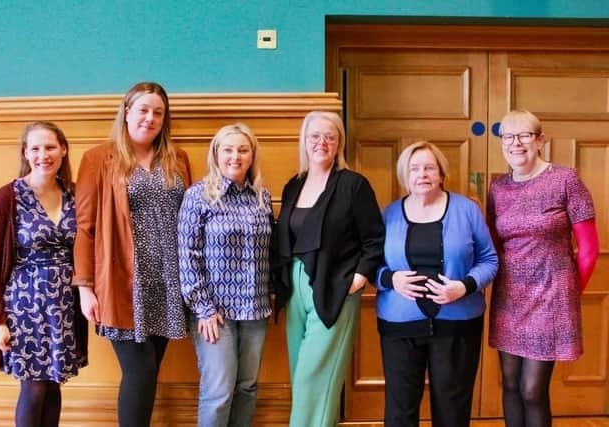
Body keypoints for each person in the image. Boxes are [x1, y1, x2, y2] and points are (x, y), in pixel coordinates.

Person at [73, 82, 191, 427]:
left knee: (149, 372)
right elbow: (84, 227)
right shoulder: (99, 158)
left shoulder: (177, 158)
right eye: (143, 109)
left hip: (169, 281)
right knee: (140, 372)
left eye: (158, 112)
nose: (150, 118)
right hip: (124, 284)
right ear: (126, 112)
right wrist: (84, 286)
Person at [488, 110, 599, 427]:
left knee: (532, 390)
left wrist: (569, 293)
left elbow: (589, 249)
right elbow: (494, 246)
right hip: (508, 299)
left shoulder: (566, 180)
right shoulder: (498, 188)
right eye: (507, 136)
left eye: (524, 135)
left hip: (551, 297)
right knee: (509, 384)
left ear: (540, 139)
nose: (515, 143)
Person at [374, 141, 498, 427]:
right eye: (414, 168)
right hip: (399, 326)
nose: (422, 174)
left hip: (458, 325)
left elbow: (490, 260)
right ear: (405, 175)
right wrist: (391, 278)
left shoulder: (467, 211)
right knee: (400, 411)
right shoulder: (388, 214)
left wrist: (465, 286)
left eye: (430, 167)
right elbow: (371, 264)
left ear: (442, 173)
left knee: (452, 410)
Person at [273, 111, 385, 427]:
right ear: (304, 142)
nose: (322, 142)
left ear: (339, 143)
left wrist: (359, 278)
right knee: (301, 375)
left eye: (330, 137)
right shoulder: (293, 185)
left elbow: (375, 238)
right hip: (294, 288)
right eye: (315, 136)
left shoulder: (353, 185)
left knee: (314, 377)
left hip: (334, 287)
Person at [0, 121, 88, 426]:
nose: (44, 155)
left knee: (53, 384)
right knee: (34, 387)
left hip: (64, 306)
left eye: (51, 147)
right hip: (24, 307)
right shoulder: (7, 198)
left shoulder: (74, 195)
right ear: (26, 154)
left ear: (64, 149)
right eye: (36, 148)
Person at [178, 123, 273, 427]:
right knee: (218, 392)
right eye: (228, 149)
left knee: (246, 387)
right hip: (213, 313)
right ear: (216, 154)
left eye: (243, 150)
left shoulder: (262, 197)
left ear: (252, 155)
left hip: (255, 309)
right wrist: (203, 308)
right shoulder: (199, 195)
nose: (236, 156)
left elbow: (270, 250)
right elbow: (187, 255)